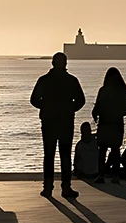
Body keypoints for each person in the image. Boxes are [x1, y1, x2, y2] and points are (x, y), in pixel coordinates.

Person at [30, 52, 85, 199]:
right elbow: (81, 100)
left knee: (49, 154)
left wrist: (45, 107)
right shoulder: (71, 81)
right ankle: (65, 187)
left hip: (48, 121)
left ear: (52, 63)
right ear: (65, 63)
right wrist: (70, 109)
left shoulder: (44, 80)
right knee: (65, 155)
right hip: (66, 121)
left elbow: (34, 100)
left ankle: (48, 187)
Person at [91, 67, 126, 184]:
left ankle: (101, 175)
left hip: (104, 123)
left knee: (102, 150)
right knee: (115, 150)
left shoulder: (103, 90)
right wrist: (118, 114)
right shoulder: (123, 91)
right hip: (117, 123)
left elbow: (97, 106)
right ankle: (116, 175)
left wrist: (96, 115)